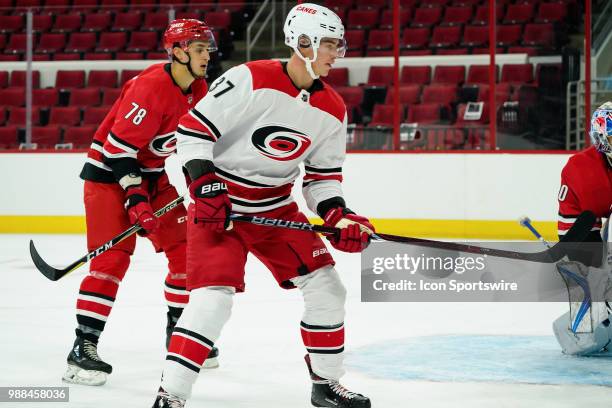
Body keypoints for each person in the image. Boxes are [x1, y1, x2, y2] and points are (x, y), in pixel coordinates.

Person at [153, 4, 373, 408]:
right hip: (220, 205)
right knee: (212, 300)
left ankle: (326, 385)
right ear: (301, 42)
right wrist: (204, 184)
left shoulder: (333, 109)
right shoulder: (250, 78)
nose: (334, 53)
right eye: (327, 43)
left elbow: (322, 179)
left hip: (275, 209)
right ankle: (172, 396)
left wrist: (339, 214)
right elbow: (192, 133)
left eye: (336, 45)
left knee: (328, 289)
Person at [63, 19, 219, 386]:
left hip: (152, 176)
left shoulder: (200, 88)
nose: (206, 56)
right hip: (107, 178)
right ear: (178, 52)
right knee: (112, 260)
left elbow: (198, 141)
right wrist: (134, 198)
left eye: (206, 49)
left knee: (186, 251)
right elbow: (118, 149)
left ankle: (179, 334)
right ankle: (83, 347)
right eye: (199, 49)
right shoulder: (150, 86)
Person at [553, 101, 612, 355]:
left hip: (596, 225)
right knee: (597, 284)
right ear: (601, 139)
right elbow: (595, 210)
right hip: (578, 233)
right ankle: (581, 327)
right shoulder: (583, 167)